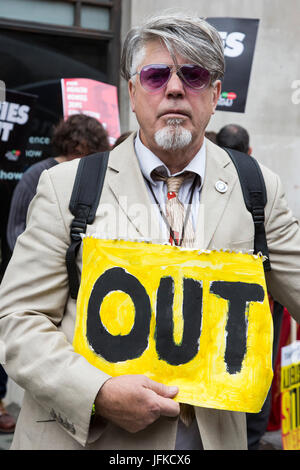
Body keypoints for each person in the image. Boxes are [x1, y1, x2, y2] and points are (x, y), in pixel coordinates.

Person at [0, 12, 300, 451]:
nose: (175, 88)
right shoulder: (67, 187)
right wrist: (97, 392)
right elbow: (17, 322)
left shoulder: (258, 189)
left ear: (215, 94)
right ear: (134, 92)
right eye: (157, 75)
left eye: (194, 75)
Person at [215, 123, 284, 450]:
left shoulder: (204, 184)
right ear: (251, 150)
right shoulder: (263, 187)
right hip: (258, 313)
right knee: (257, 379)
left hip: (211, 316)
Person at [6, 113, 110, 252]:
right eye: (79, 149)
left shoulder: (90, 175)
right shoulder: (36, 174)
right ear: (70, 145)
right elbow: (16, 228)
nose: (84, 155)